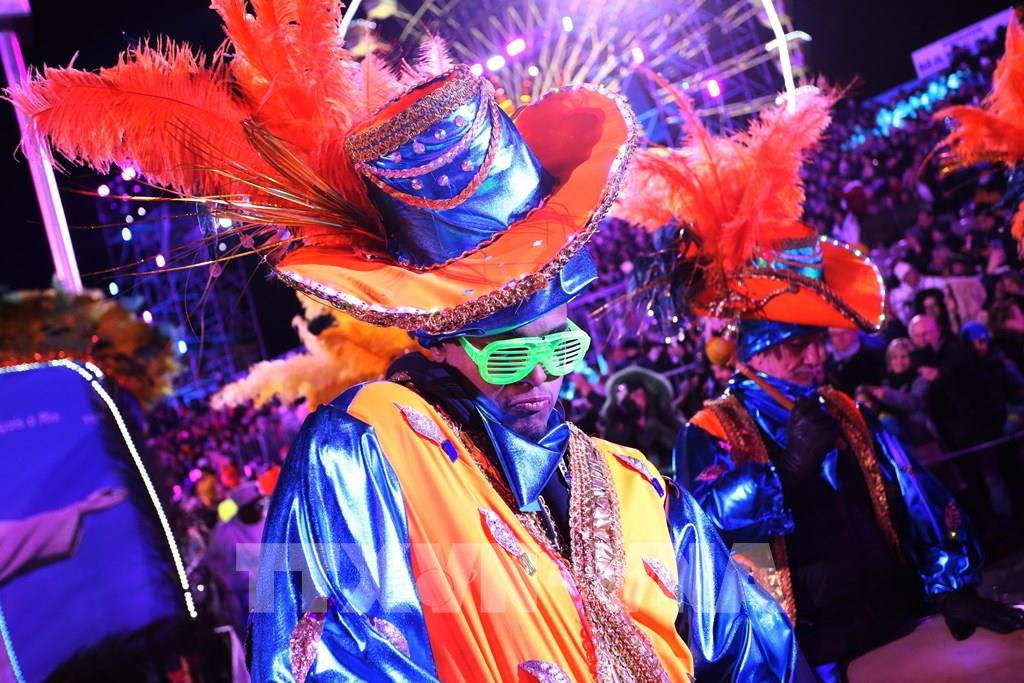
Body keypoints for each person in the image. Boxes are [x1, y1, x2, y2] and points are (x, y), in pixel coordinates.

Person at [9, 4, 811, 680]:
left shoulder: (639, 487)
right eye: (509, 352)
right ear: (438, 339)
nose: (541, 376)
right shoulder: (358, 450)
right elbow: (307, 652)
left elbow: (758, 647)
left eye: (561, 347)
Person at [611, 86, 1024, 682]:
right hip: (812, 651)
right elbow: (706, 543)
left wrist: (952, 582)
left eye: (817, 339)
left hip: (895, 619)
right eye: (795, 342)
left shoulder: (841, 407)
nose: (814, 354)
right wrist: (784, 475)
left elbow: (913, 492)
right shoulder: (710, 431)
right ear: (756, 349)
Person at [204, 481, 267, 638]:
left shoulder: (270, 521)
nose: (259, 509)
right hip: (246, 600)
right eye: (255, 505)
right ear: (243, 509)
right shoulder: (226, 532)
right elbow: (211, 560)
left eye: (260, 504)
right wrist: (228, 580)